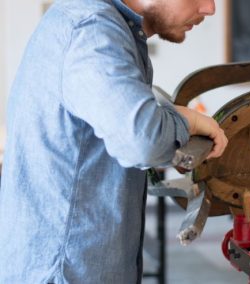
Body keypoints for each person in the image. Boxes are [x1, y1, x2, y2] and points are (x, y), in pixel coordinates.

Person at [0, 0, 227, 283]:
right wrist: (186, 121)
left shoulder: (94, 21)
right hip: (67, 272)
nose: (209, 8)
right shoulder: (92, 29)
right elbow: (144, 140)